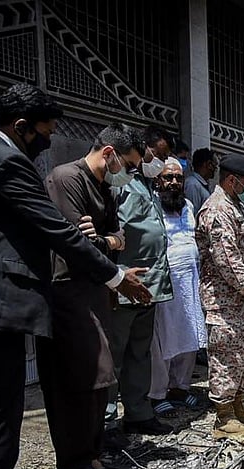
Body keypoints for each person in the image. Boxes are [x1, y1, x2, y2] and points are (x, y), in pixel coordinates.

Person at [0, 84, 148, 469]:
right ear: (21, 127)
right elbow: (57, 229)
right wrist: (116, 275)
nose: (47, 141)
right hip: (7, 300)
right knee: (2, 410)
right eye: (45, 133)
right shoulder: (8, 162)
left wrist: (105, 244)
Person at [41, 123, 153, 469]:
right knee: (80, 378)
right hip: (68, 291)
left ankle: (93, 455)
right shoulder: (66, 179)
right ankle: (75, 464)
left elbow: (115, 237)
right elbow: (75, 243)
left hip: (95, 289)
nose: (130, 174)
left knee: (101, 376)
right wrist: (109, 247)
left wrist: (106, 241)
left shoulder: (105, 188)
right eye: (129, 165)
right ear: (109, 154)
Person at [196, 153, 244, 439]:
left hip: (243, 301)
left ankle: (239, 405)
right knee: (226, 355)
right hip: (225, 300)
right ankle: (223, 417)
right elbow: (226, 259)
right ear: (231, 180)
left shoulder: (236, 205)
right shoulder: (216, 210)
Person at [105, 127, 174, 434]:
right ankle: (105, 422)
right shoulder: (118, 183)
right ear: (143, 150)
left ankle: (138, 412)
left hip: (151, 286)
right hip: (125, 284)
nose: (160, 161)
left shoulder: (148, 185)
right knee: (113, 356)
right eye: (157, 155)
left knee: (139, 352)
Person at [149, 159, 207, 412]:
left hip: (191, 281)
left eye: (178, 178)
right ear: (157, 181)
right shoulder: (151, 206)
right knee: (163, 340)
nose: (174, 182)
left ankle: (179, 388)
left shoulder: (189, 206)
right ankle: (158, 394)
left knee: (190, 336)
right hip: (164, 281)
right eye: (168, 177)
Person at [185, 148, 216, 214]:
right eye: (214, 165)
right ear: (208, 164)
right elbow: (192, 213)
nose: (215, 169)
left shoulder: (204, 185)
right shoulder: (192, 184)